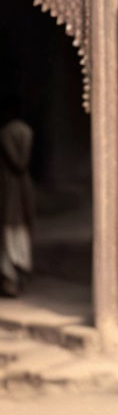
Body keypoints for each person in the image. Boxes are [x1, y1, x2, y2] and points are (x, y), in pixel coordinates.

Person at [0, 94, 34, 297]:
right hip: (22, 185)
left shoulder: (5, 133)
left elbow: (18, 161)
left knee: (10, 231)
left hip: (10, 186)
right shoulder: (26, 131)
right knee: (18, 229)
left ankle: (12, 277)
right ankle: (17, 275)